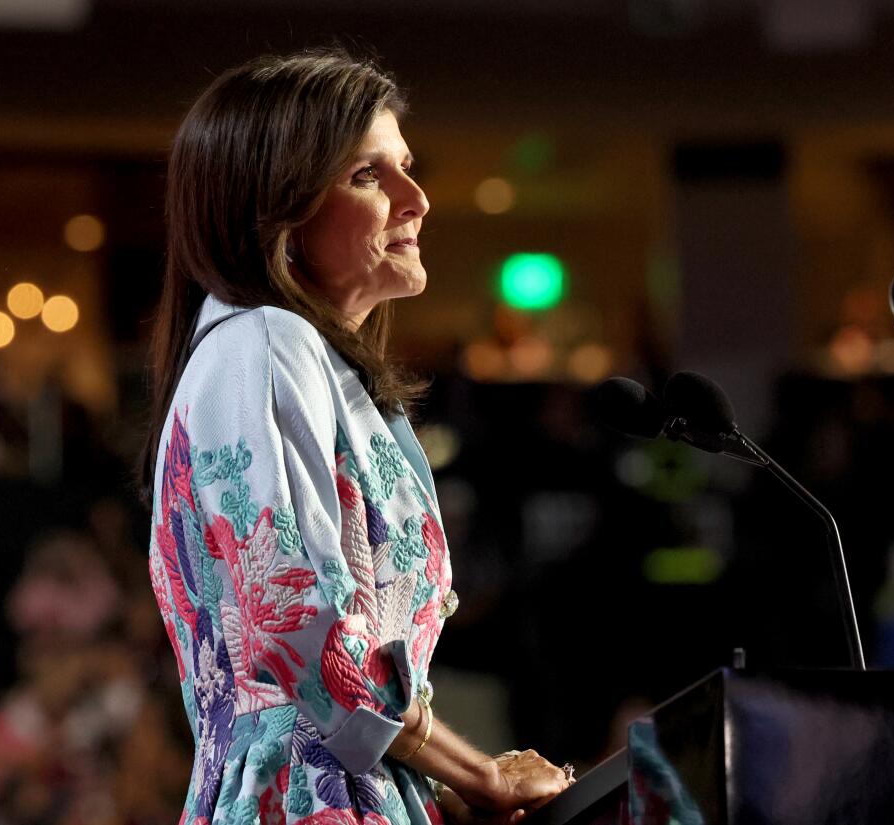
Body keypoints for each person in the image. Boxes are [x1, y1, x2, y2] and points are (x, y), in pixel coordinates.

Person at [142, 50, 573, 825]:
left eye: (406, 167)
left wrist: (430, 790)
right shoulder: (262, 342)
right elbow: (297, 621)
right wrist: (481, 774)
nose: (418, 200)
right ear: (275, 210)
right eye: (368, 176)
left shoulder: (299, 359)